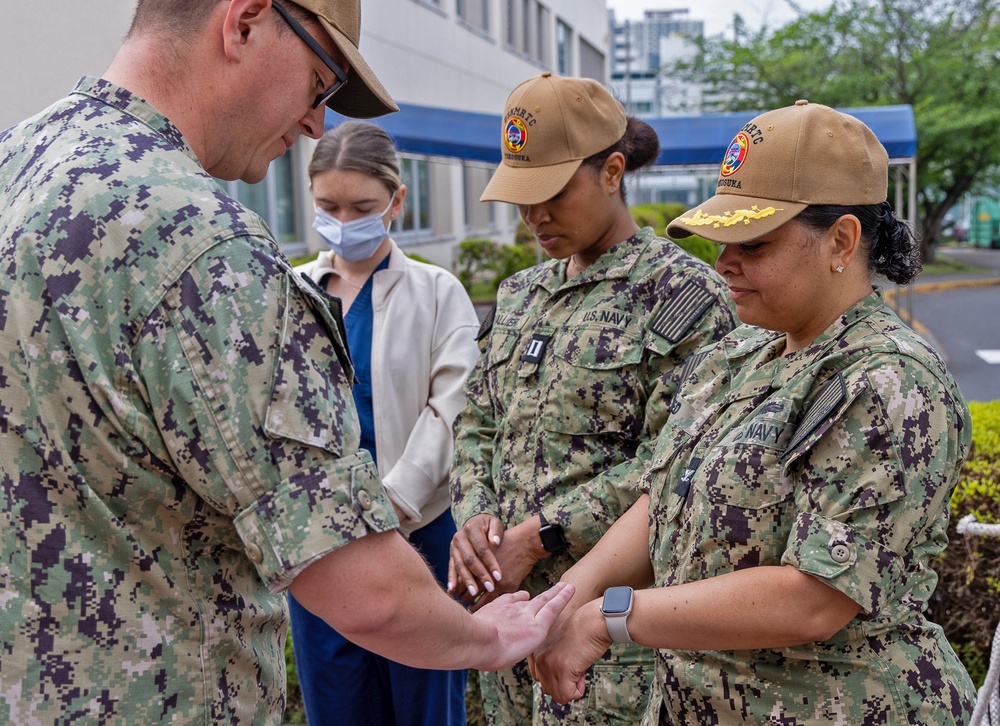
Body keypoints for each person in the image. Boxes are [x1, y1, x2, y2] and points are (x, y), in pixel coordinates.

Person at [0, 2, 574, 724]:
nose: (315, 124)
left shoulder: (18, 162)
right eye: (319, 82)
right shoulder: (201, 242)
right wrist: (490, 637)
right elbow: (365, 590)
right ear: (243, 23)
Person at [530, 100, 978, 725]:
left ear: (841, 240)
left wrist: (612, 619)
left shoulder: (889, 380)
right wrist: (557, 606)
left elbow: (815, 597)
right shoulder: (740, 352)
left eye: (754, 244)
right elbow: (662, 499)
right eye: (721, 243)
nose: (724, 265)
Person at [448, 72, 737, 725]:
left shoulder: (686, 298)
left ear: (611, 171)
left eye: (551, 193)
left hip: (606, 639)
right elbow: (478, 420)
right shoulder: (522, 294)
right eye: (521, 199)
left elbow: (680, 463)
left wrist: (541, 535)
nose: (534, 217)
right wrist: (475, 523)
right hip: (503, 616)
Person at [290, 120, 479, 726]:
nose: (344, 221)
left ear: (397, 201)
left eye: (362, 207)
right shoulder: (291, 291)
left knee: (428, 705)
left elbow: (451, 408)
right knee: (338, 703)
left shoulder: (437, 291)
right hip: (322, 545)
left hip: (417, 534)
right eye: (328, 206)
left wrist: (391, 503)